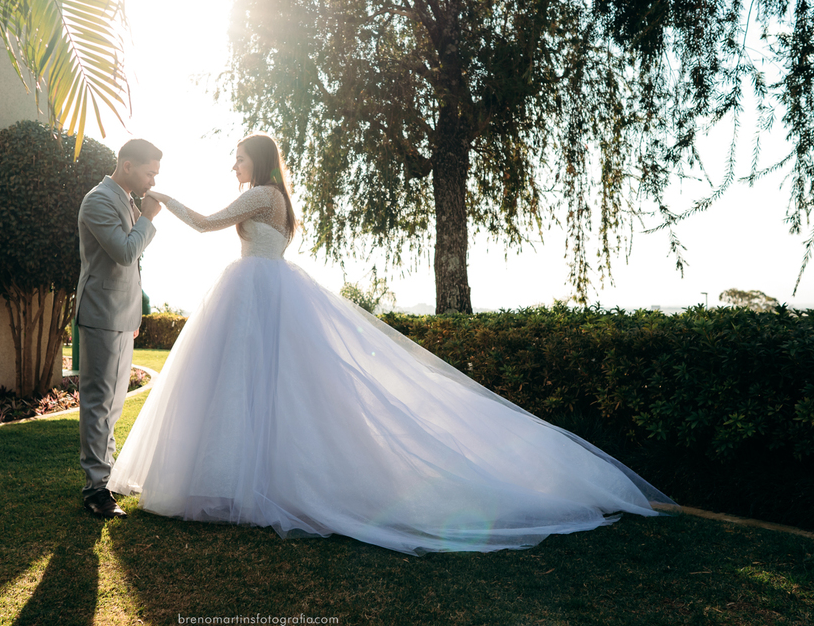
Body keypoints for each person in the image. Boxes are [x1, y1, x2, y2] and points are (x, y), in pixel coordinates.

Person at [109, 132, 676, 554]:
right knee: (259, 388)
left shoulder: (262, 194)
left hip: (256, 291)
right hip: (262, 291)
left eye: (237, 155)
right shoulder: (269, 197)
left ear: (255, 160)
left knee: (255, 384)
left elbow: (208, 223)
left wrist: (162, 204)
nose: (232, 162)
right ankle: (242, 482)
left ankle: (248, 483)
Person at [76, 138, 163, 518]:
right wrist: (147, 219)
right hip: (101, 313)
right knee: (98, 403)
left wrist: (135, 316)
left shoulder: (126, 200)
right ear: (127, 165)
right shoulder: (98, 200)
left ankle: (104, 480)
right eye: (149, 172)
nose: (153, 180)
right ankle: (96, 489)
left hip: (120, 315)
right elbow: (126, 253)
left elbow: (132, 268)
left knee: (112, 405)